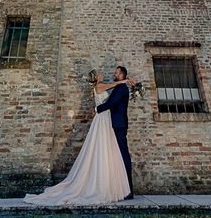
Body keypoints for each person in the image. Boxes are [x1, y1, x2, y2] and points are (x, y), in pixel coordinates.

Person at [23, 69, 133, 205]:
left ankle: (115, 185)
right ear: (96, 78)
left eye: (117, 73)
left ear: (121, 74)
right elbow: (113, 89)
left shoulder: (113, 86)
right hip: (103, 119)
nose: (105, 74)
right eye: (99, 73)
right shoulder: (100, 86)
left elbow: (113, 97)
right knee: (103, 148)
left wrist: (125, 81)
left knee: (110, 150)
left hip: (107, 120)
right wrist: (125, 81)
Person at [96, 65, 134, 199]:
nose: (115, 74)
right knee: (118, 155)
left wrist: (96, 109)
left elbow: (111, 103)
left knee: (123, 154)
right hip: (117, 124)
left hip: (119, 124)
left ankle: (128, 189)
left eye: (117, 73)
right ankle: (121, 187)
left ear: (122, 75)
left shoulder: (122, 88)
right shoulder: (120, 86)